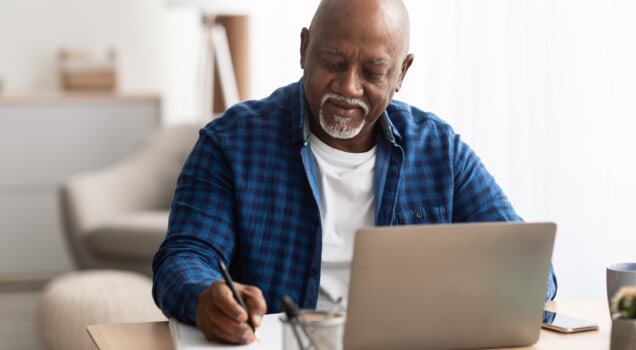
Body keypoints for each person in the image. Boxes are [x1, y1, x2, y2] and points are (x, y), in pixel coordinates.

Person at [152, 0, 558, 345]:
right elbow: (183, 258)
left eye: (373, 71)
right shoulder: (232, 142)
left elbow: (531, 274)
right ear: (304, 49)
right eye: (332, 61)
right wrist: (208, 294)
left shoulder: (440, 151)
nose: (348, 86)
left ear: (401, 74)